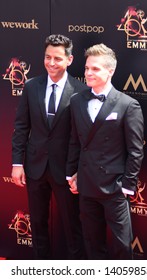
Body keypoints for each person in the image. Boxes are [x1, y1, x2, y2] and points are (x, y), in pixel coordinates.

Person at [11, 34, 88, 259]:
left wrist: (77, 171)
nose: (51, 63)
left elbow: (83, 137)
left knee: (73, 227)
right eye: (47, 57)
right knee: (37, 224)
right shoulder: (31, 86)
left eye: (57, 58)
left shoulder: (81, 91)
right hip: (34, 168)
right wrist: (17, 163)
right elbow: (21, 127)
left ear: (69, 60)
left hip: (66, 171)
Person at [66, 43, 144, 260]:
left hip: (115, 189)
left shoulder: (128, 105)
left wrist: (127, 187)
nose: (89, 73)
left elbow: (136, 151)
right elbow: (74, 141)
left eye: (95, 69)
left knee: (122, 246)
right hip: (87, 186)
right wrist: (70, 174)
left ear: (111, 71)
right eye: (87, 68)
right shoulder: (76, 101)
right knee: (92, 243)